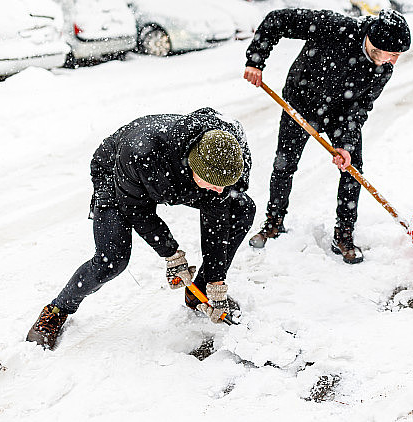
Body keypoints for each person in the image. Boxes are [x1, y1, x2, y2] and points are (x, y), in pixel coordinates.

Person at [26, 108, 255, 349]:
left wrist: (215, 282)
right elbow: (137, 210)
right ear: (194, 167)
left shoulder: (230, 159)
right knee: (111, 260)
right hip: (117, 172)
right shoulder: (142, 153)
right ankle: (57, 310)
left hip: (177, 175)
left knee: (242, 209)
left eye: (225, 184)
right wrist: (171, 254)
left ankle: (198, 292)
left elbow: (217, 219)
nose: (220, 191)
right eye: (213, 184)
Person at [244, 8, 411, 264]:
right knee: (284, 164)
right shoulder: (335, 27)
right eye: (391, 54)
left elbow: (361, 107)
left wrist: (346, 144)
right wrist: (256, 61)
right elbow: (277, 19)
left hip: (340, 115)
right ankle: (273, 222)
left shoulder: (384, 69)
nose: (392, 62)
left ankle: (343, 234)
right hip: (301, 102)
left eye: (397, 56)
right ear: (373, 41)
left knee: (353, 169)